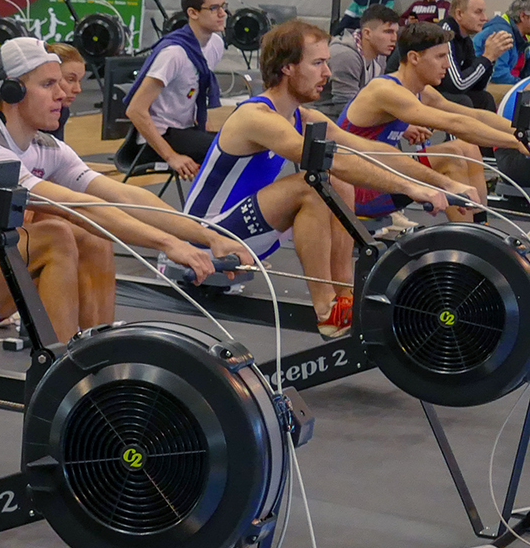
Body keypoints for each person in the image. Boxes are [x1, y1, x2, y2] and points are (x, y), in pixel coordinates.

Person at [0, 39, 231, 346]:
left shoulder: (45, 147)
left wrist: (207, 236)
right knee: (55, 231)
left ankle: (99, 349)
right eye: (48, 84)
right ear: (12, 93)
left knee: (86, 232)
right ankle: (66, 371)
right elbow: (80, 206)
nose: (63, 94)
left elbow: (121, 196)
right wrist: (169, 245)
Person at [185, 19, 467, 334]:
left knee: (338, 181)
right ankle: (326, 309)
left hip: (246, 233)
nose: (327, 73)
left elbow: (370, 150)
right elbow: (336, 162)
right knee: (314, 183)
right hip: (203, 238)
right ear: (288, 67)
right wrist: (410, 189)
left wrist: (441, 182)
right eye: (318, 63)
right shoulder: (256, 117)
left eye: (327, 63)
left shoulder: (303, 116)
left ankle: (344, 295)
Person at [341, 20, 526, 224]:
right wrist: (517, 142)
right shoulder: (386, 91)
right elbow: (456, 124)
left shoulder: (422, 91)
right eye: (440, 57)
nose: (447, 64)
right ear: (414, 58)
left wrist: (521, 133)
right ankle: (471, 243)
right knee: (452, 156)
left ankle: (481, 226)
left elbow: (474, 116)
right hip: (355, 187)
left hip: (382, 176)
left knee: (467, 147)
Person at [124, 0, 228, 178]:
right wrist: (172, 157)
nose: (222, 13)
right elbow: (135, 110)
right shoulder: (173, 54)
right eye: (214, 8)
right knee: (228, 153)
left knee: (239, 144)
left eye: (223, 6)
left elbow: (195, 90)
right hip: (159, 138)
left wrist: (202, 125)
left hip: (186, 130)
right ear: (193, 13)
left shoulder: (215, 44)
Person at [324, 3, 400, 114]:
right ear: (367, 33)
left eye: (396, 32)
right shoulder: (346, 56)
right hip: (324, 120)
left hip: (353, 117)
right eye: (388, 32)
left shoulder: (380, 55)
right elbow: (345, 108)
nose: (394, 38)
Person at [441, 0, 504, 111]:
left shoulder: (466, 39)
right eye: (478, 12)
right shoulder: (445, 34)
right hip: (420, 92)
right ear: (459, 14)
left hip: (443, 92)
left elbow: (477, 86)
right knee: (463, 101)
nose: (485, 18)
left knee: (484, 98)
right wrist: (486, 57)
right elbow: (457, 85)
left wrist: (491, 60)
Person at [478, 0, 530, 82]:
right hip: (487, 85)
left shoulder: (523, 37)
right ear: (523, 16)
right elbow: (498, 75)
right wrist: (523, 85)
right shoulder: (501, 33)